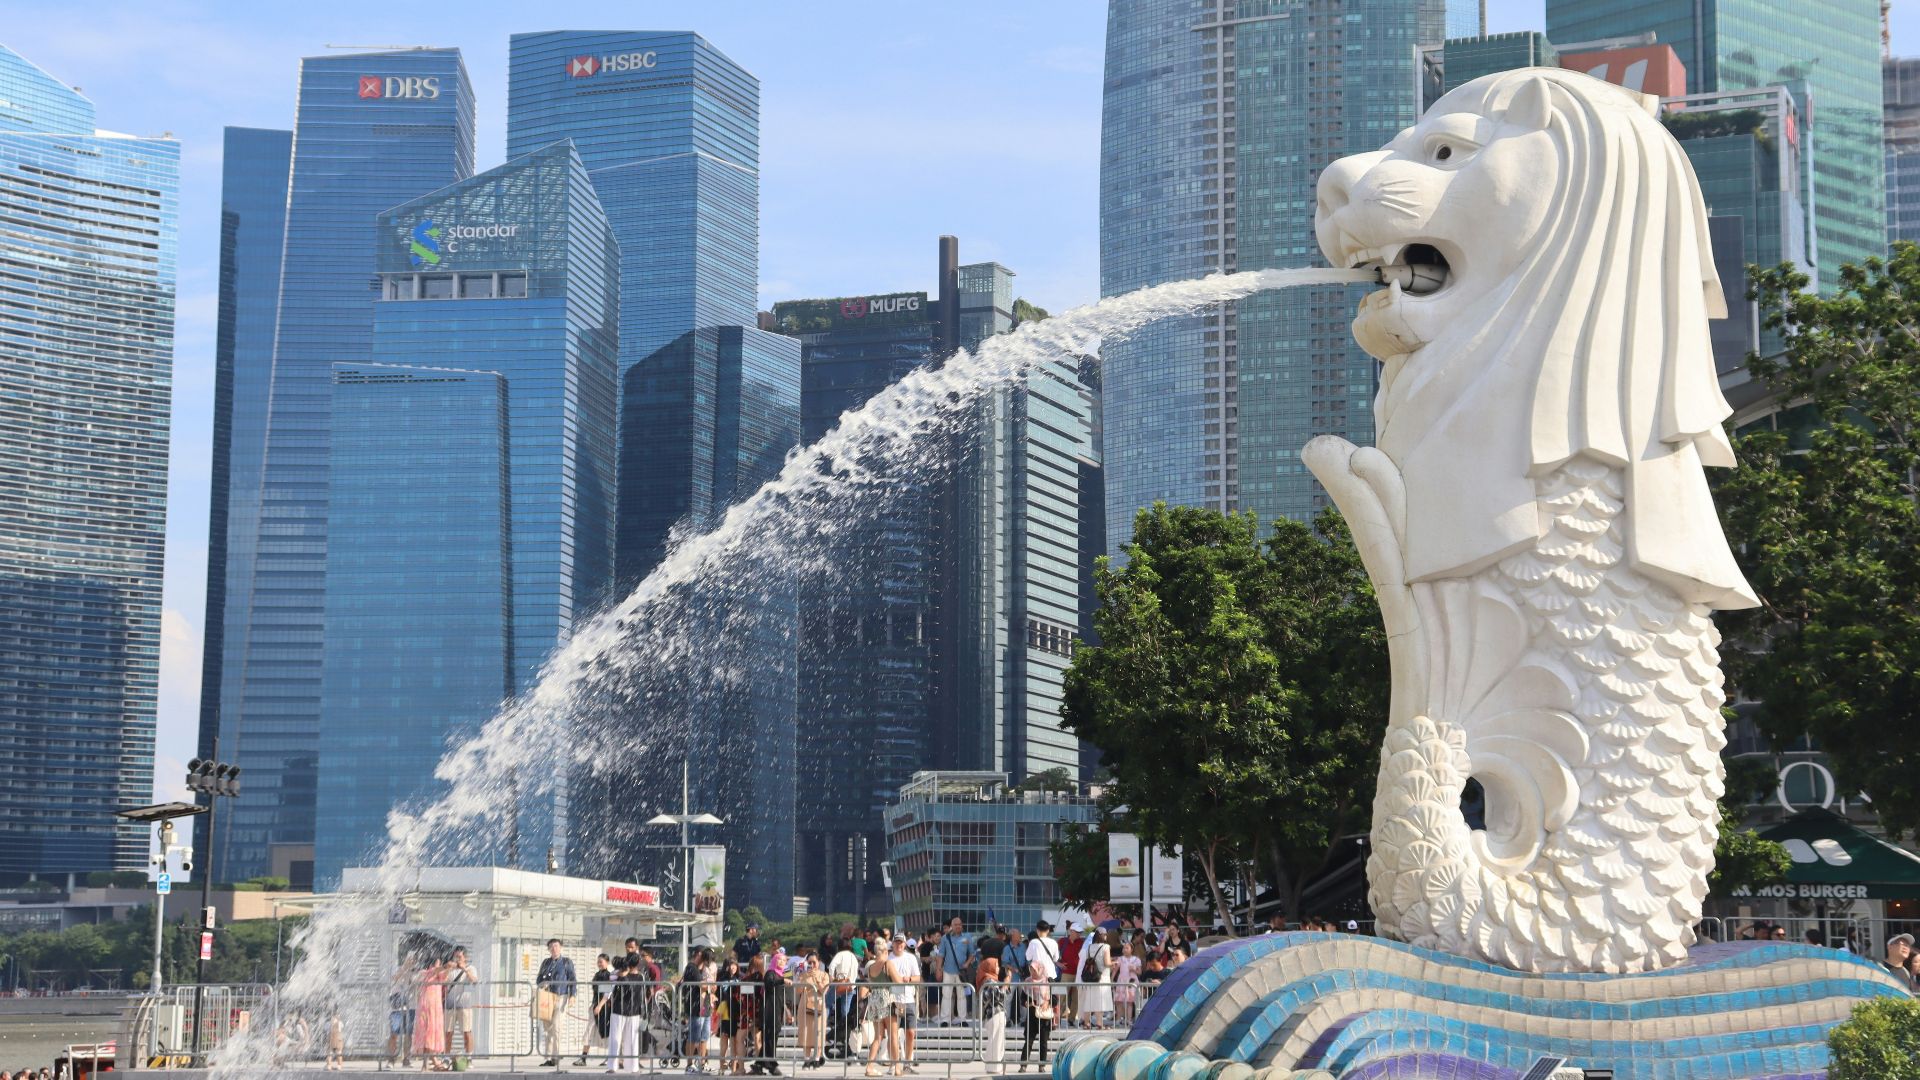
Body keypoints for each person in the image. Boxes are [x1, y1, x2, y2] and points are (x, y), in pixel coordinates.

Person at [536, 938, 578, 1067]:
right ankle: (549, 1058)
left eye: (556, 946)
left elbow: (572, 979)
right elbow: (538, 979)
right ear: (549, 949)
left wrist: (573, 995)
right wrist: (543, 983)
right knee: (547, 1029)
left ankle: (556, 1055)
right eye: (551, 946)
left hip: (561, 997)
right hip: (547, 997)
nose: (554, 948)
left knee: (556, 1027)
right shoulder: (546, 962)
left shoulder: (566, 962)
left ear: (560, 948)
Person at [887, 934, 922, 1071]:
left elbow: (917, 977)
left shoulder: (911, 958)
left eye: (901, 942)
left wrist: (910, 979)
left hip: (909, 999)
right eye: (896, 942)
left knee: (911, 1033)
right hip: (893, 1000)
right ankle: (893, 1063)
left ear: (905, 944)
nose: (899, 945)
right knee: (893, 1034)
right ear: (893, 944)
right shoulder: (889, 958)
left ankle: (908, 1062)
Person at [862, 950, 897, 1077]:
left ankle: (869, 1066)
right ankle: (896, 1066)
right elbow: (898, 981)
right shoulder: (887, 964)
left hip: (874, 1000)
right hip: (886, 999)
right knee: (893, 1035)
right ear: (885, 952)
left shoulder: (871, 966)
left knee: (878, 1037)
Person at [793, 948, 829, 1069]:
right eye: (810, 962)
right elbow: (798, 991)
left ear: (819, 962)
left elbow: (824, 991)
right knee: (806, 1032)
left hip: (819, 1006)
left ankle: (817, 1059)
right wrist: (803, 979)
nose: (812, 965)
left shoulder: (824, 975)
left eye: (814, 962)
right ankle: (807, 1060)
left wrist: (817, 979)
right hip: (805, 1006)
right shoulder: (803, 975)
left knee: (818, 1032)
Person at [936, 917, 975, 1026]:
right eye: (956, 924)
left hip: (962, 972)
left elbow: (972, 953)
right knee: (946, 994)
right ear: (951, 926)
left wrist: (967, 963)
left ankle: (962, 1019)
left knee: (962, 995)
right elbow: (940, 955)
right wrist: (938, 969)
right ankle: (945, 1020)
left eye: (960, 924)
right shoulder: (945, 938)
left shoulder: (967, 937)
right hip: (948, 970)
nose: (958, 926)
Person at [755, 949, 789, 1075]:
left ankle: (759, 1064)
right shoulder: (770, 972)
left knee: (772, 1036)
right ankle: (771, 1065)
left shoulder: (781, 974)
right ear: (774, 960)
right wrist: (782, 981)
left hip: (777, 1009)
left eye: (784, 960)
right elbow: (769, 984)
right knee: (770, 1036)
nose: (782, 962)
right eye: (779, 959)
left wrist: (787, 1010)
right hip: (769, 1009)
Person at [443, 947, 477, 1065]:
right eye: (455, 957)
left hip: (465, 1005)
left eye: (459, 957)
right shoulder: (452, 970)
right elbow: (443, 981)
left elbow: (474, 981)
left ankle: (469, 1057)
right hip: (450, 1004)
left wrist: (464, 969)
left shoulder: (471, 968)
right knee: (448, 1033)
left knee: (467, 1032)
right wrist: (447, 968)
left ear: (465, 957)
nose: (457, 959)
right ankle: (446, 1057)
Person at [414, 957, 449, 1071]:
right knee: (427, 1035)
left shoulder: (439, 975)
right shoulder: (424, 973)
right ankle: (425, 1064)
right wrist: (445, 966)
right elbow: (434, 971)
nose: (439, 965)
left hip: (436, 1009)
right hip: (426, 1008)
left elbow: (445, 975)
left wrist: (449, 968)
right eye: (438, 963)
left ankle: (434, 1061)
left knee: (434, 1035)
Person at [976, 957, 1009, 1075]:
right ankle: (994, 1067)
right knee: (996, 1042)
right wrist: (1005, 984)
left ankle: (994, 1066)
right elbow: (996, 997)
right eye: (996, 966)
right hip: (994, 1014)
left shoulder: (990, 980)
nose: (998, 968)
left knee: (996, 1041)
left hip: (995, 1014)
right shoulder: (989, 981)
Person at [580, 953, 614, 1067]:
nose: (599, 963)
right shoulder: (597, 974)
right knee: (589, 1030)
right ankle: (583, 1057)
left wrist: (600, 1006)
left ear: (607, 962)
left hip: (604, 1007)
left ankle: (609, 1058)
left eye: (601, 961)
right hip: (595, 1005)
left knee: (605, 1032)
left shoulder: (608, 975)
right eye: (598, 961)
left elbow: (606, 994)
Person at [388, 954, 420, 1068]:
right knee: (394, 1033)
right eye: (409, 959)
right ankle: (391, 1059)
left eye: (413, 960)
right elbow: (394, 978)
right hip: (397, 1006)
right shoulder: (398, 968)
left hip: (411, 1006)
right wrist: (405, 967)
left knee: (408, 1034)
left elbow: (418, 985)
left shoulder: (417, 972)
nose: (411, 961)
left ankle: (406, 1059)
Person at [1017, 970, 1053, 1073]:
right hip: (1032, 1015)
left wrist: (1047, 1002)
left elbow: (1055, 999)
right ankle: (1023, 1065)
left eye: (1034, 970)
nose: (1032, 972)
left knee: (1043, 1042)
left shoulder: (1048, 982)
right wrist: (1026, 1003)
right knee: (1028, 1041)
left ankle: (1042, 1066)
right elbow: (1022, 998)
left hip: (1044, 1017)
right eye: (1031, 969)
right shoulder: (1028, 982)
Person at [1078, 930, 1114, 1030]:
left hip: (1091, 977)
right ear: (1102, 935)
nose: (1106, 936)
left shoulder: (1090, 947)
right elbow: (1107, 963)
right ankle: (1099, 1023)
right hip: (1102, 977)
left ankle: (1086, 1023)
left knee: (1089, 1000)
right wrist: (1114, 963)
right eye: (1105, 934)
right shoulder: (1106, 947)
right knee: (1100, 1001)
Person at [1056, 926, 1083, 1028]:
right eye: (1077, 932)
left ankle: (1071, 1019)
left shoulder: (1082, 942)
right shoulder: (1062, 941)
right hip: (1066, 973)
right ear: (1071, 931)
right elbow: (1053, 954)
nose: (1079, 934)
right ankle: (1057, 1018)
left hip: (1078, 974)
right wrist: (1058, 963)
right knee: (1062, 996)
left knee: (1076, 998)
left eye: (1080, 932)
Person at [1113, 941, 1141, 1025]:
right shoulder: (1120, 959)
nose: (1124, 950)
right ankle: (1119, 1019)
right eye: (1124, 948)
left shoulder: (1136, 959)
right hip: (1121, 981)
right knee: (1119, 1001)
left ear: (1131, 949)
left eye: (1127, 948)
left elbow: (1139, 972)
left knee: (1130, 1001)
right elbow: (1115, 970)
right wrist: (1111, 980)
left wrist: (1134, 969)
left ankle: (1129, 1020)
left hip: (1131, 981)